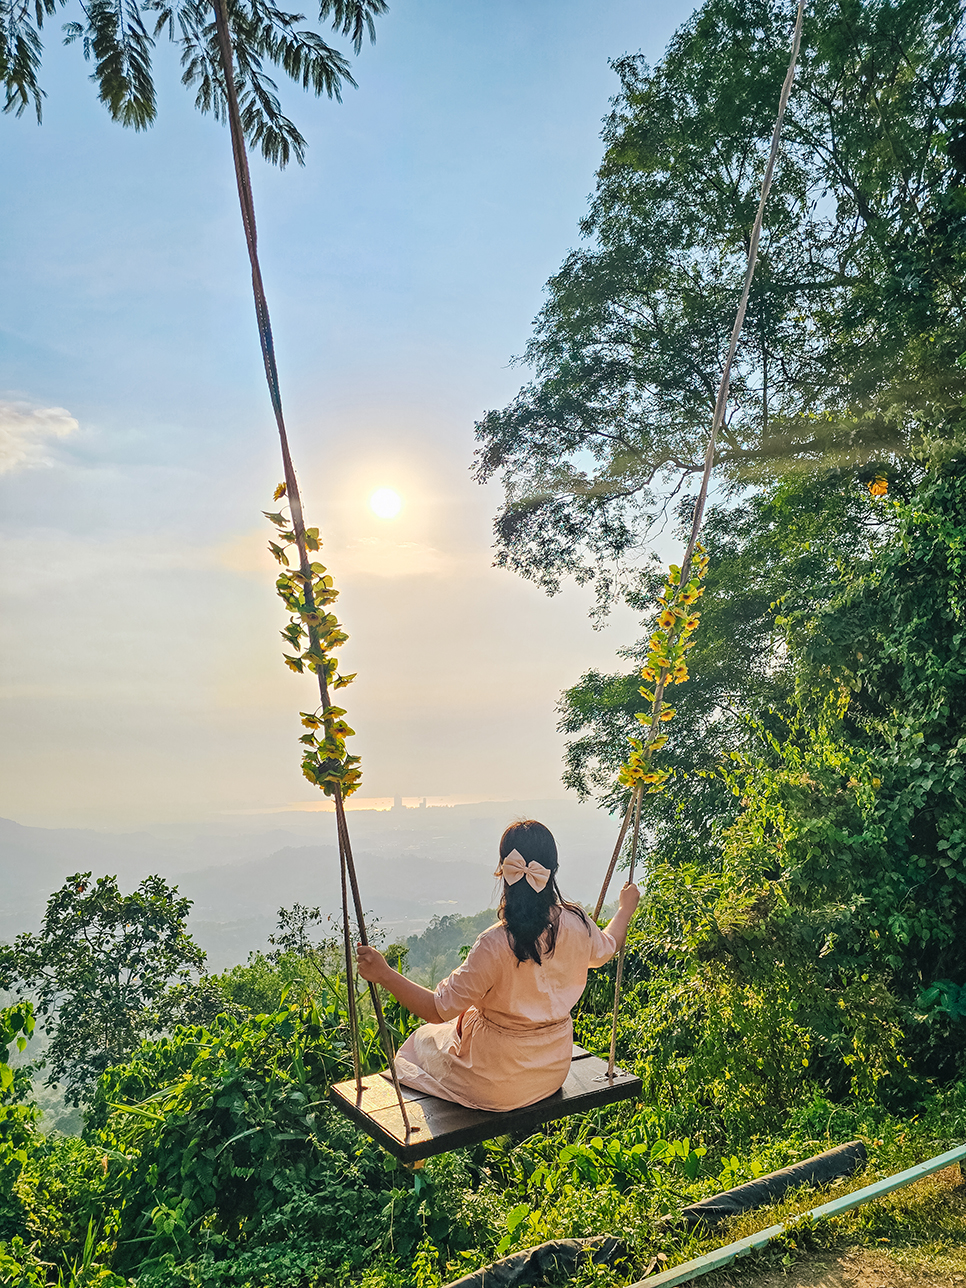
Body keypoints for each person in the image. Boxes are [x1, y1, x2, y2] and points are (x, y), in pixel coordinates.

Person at [356, 818, 640, 1113]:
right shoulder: (576, 922)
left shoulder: (494, 943)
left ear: (504, 872)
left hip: (495, 1082)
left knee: (422, 1041)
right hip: (552, 1073)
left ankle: (416, 1150)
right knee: (457, 1025)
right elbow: (608, 946)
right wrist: (625, 908)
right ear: (551, 871)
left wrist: (384, 974)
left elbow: (436, 1010)